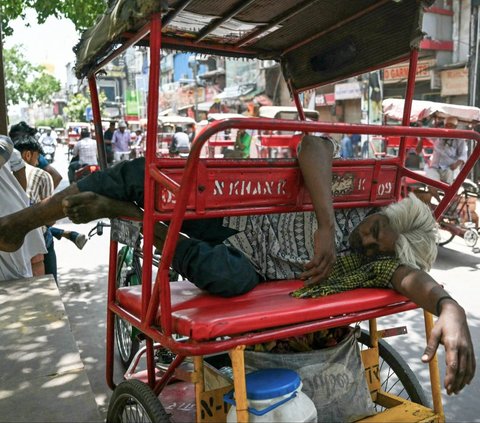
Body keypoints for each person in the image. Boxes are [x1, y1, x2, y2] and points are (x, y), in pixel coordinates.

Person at [0, 135, 474, 395]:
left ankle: (124, 214)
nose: (364, 239)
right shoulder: (358, 195)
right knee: (142, 174)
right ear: (382, 214)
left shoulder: (371, 264)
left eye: (373, 247)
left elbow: (414, 281)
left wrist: (449, 309)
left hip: (248, 265)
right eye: (373, 228)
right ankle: (24, 221)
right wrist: (328, 223)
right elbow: (314, 144)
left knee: (227, 279)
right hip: (233, 213)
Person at [0, 135, 46, 280]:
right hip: (13, 210)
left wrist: (21, 201)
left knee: (16, 274)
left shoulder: (4, 144)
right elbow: (20, 169)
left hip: (8, 215)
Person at [417, 116, 467, 202]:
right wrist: (421, 132)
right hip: (435, 167)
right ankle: (440, 203)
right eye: (446, 125)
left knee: (451, 188)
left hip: (450, 168)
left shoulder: (460, 139)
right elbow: (426, 133)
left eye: (451, 125)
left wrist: (456, 164)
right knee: (431, 185)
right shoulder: (438, 134)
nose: (448, 127)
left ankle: (447, 205)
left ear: (455, 127)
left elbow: (463, 155)